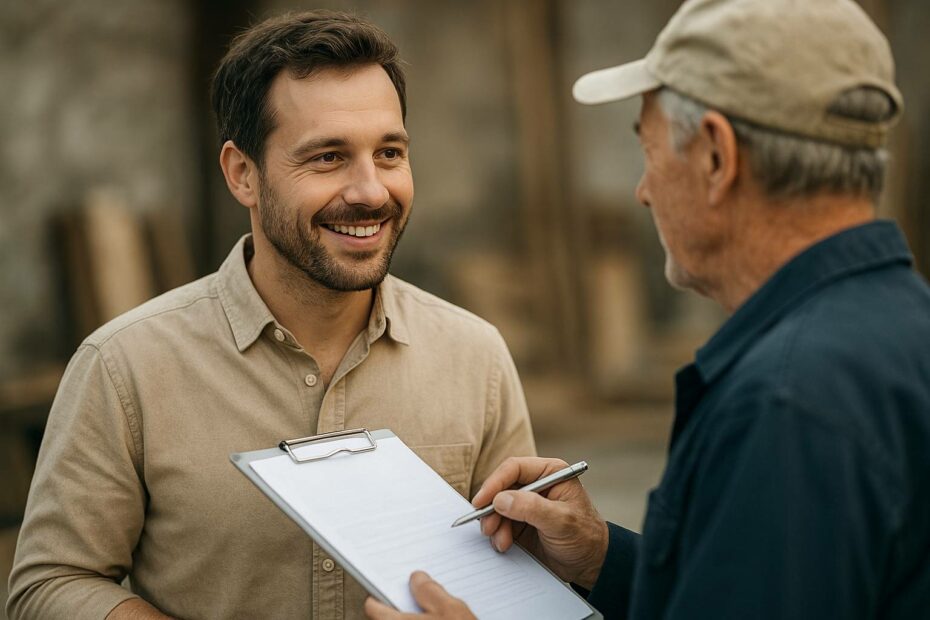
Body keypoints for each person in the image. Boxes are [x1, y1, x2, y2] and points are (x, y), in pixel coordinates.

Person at [364, 0, 930, 618]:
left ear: (716, 157)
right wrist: (603, 556)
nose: (642, 190)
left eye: (650, 150)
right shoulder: (900, 331)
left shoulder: (788, 401)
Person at [7, 10, 536, 620]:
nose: (370, 190)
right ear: (242, 174)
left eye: (389, 153)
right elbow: (51, 583)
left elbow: (517, 577)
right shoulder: (125, 367)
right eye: (328, 157)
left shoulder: (476, 355)